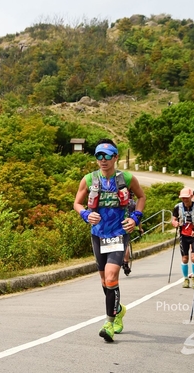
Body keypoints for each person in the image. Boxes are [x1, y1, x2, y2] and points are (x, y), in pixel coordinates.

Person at [74, 139, 146, 342]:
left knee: (112, 276)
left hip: (118, 233)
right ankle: (118, 310)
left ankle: (109, 324)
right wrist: (86, 214)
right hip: (98, 234)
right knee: (105, 281)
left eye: (107, 156)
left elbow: (141, 197)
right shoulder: (89, 179)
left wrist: (135, 218)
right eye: (99, 155)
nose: (103, 160)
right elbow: (77, 203)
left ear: (115, 157)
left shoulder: (127, 178)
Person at [171, 188, 194, 288]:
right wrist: (175, 223)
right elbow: (174, 219)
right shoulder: (177, 207)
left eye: (187, 198)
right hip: (183, 235)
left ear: (191, 196)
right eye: (183, 198)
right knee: (185, 258)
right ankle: (185, 279)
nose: (185, 200)